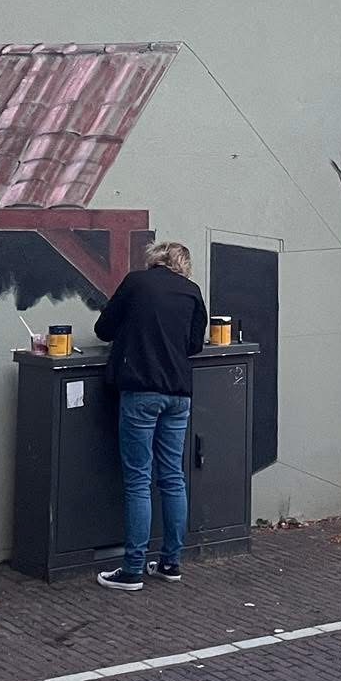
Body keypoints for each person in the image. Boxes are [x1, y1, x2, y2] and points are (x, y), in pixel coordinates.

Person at [93, 241, 210, 591]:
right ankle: (171, 562)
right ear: (183, 265)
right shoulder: (192, 292)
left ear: (155, 259)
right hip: (179, 394)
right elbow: (194, 345)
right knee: (173, 477)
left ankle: (132, 569)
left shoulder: (136, 282)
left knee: (138, 480)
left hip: (141, 391)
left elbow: (104, 329)